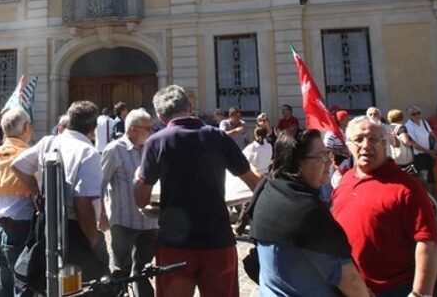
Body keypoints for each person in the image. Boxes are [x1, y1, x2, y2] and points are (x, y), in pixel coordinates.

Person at [134, 85, 261, 297]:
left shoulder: (156, 142)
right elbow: (254, 184)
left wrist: (139, 178)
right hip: (217, 240)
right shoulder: (219, 137)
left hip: (174, 245)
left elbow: (140, 199)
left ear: (161, 116)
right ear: (190, 107)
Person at [248, 129, 370, 296]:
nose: (329, 161)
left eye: (328, 154)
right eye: (321, 156)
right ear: (298, 163)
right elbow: (348, 279)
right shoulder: (307, 210)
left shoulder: (265, 189)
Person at [332, 116, 437, 296]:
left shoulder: (406, 188)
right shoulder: (345, 180)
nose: (365, 145)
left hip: (391, 290)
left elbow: (428, 241)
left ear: (385, 144)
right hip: (348, 288)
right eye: (358, 140)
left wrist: (421, 293)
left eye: (373, 139)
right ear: (349, 145)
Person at [13, 100, 110, 284]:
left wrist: (38, 194)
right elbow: (83, 203)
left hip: (48, 225)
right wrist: (92, 240)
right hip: (74, 230)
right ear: (93, 127)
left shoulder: (48, 142)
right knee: (78, 287)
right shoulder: (88, 152)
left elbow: (18, 165)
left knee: (52, 284)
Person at [100, 108, 158, 297]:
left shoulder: (151, 149)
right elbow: (99, 184)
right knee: (121, 271)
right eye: (147, 128)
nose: (152, 131)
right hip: (124, 222)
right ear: (133, 129)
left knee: (144, 271)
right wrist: (101, 214)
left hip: (150, 223)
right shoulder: (114, 150)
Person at [0, 108, 35, 297]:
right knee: (24, 288)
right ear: (27, 127)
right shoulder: (29, 158)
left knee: (3, 290)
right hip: (22, 233)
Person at [404, 105, 437, 186]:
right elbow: (415, 144)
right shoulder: (408, 126)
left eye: (418, 113)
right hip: (419, 156)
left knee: (431, 177)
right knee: (422, 178)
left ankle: (431, 196)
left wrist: (436, 145)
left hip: (430, 153)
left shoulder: (424, 123)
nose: (416, 115)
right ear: (410, 116)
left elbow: (432, 135)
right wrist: (430, 152)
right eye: (413, 114)